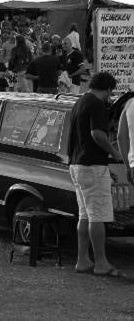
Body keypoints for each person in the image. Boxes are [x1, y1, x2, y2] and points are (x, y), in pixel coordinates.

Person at [68, 72, 124, 277]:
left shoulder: (79, 102)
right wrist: (115, 153)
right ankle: (101, 262)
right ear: (108, 89)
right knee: (97, 216)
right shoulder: (97, 105)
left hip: (77, 164)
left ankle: (82, 259)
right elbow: (97, 135)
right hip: (91, 166)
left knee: (85, 214)